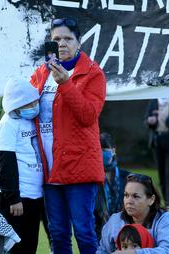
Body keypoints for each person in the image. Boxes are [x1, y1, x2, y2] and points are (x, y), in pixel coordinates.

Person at [30, 17, 106, 254]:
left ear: (78, 42)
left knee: (84, 230)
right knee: (58, 232)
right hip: (49, 168)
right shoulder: (41, 73)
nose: (61, 44)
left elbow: (87, 115)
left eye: (67, 38)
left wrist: (66, 83)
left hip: (79, 167)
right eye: (56, 39)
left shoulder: (93, 73)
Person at [0, 78, 44, 254]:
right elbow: (5, 162)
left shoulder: (30, 120)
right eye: (30, 102)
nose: (35, 105)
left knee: (30, 246)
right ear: (18, 103)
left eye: (35, 101)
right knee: (15, 248)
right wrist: (13, 197)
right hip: (16, 197)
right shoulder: (7, 124)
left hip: (34, 194)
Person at [97, 173, 169, 254]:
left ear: (151, 200)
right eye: (126, 195)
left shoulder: (164, 219)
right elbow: (103, 251)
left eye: (135, 196)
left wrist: (134, 252)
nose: (129, 201)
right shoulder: (116, 221)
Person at [95, 132, 132, 237]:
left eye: (104, 150)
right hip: (99, 234)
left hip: (126, 232)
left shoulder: (128, 177)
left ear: (113, 151)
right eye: (99, 150)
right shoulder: (91, 181)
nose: (101, 153)